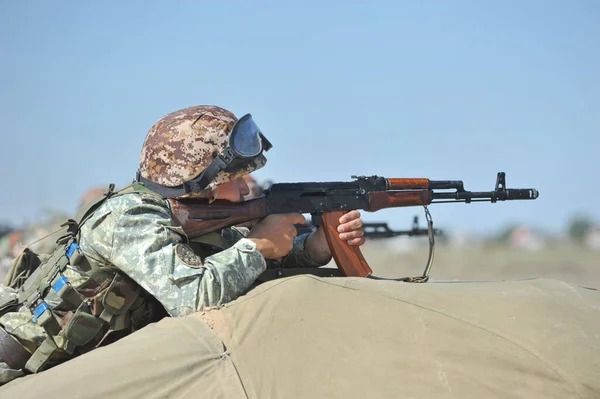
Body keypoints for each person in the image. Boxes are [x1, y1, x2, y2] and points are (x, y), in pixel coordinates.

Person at [0, 105, 365, 384]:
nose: (244, 188)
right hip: (18, 366)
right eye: (235, 177)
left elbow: (238, 259)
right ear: (196, 179)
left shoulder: (189, 217)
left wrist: (317, 245)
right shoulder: (129, 217)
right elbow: (195, 294)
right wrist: (258, 246)